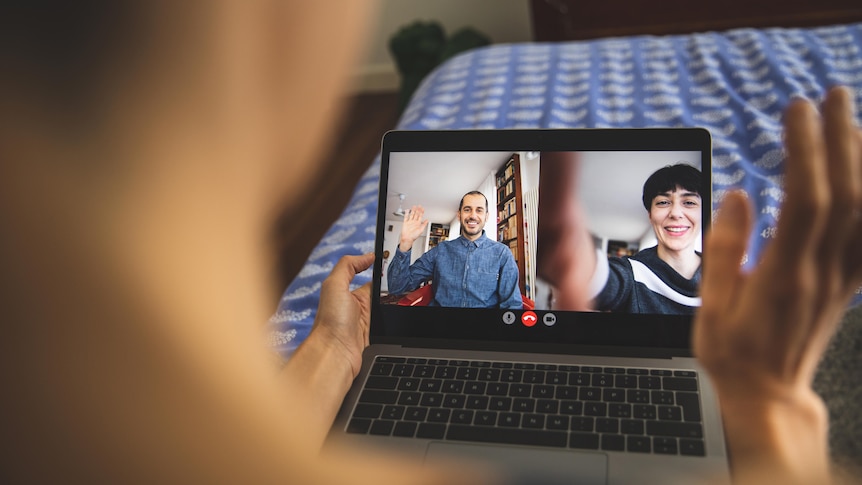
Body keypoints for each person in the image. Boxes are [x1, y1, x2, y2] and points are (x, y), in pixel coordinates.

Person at [1, 2, 860, 484]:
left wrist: (336, 345)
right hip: (439, 358)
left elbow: (523, 293)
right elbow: (410, 277)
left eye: (488, 217)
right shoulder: (445, 251)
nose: (482, 223)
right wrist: (769, 426)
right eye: (477, 216)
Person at [538, 162, 704, 314]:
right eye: (663, 202)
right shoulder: (631, 272)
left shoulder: (724, 272)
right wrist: (572, 252)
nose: (675, 213)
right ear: (650, 215)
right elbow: (603, 279)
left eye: (689, 202)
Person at [387, 191, 523, 309]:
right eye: (467, 209)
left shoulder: (502, 254)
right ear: (459, 215)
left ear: (486, 216)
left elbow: (512, 304)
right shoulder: (440, 250)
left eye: (479, 210)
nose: (473, 215)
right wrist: (405, 243)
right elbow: (397, 287)